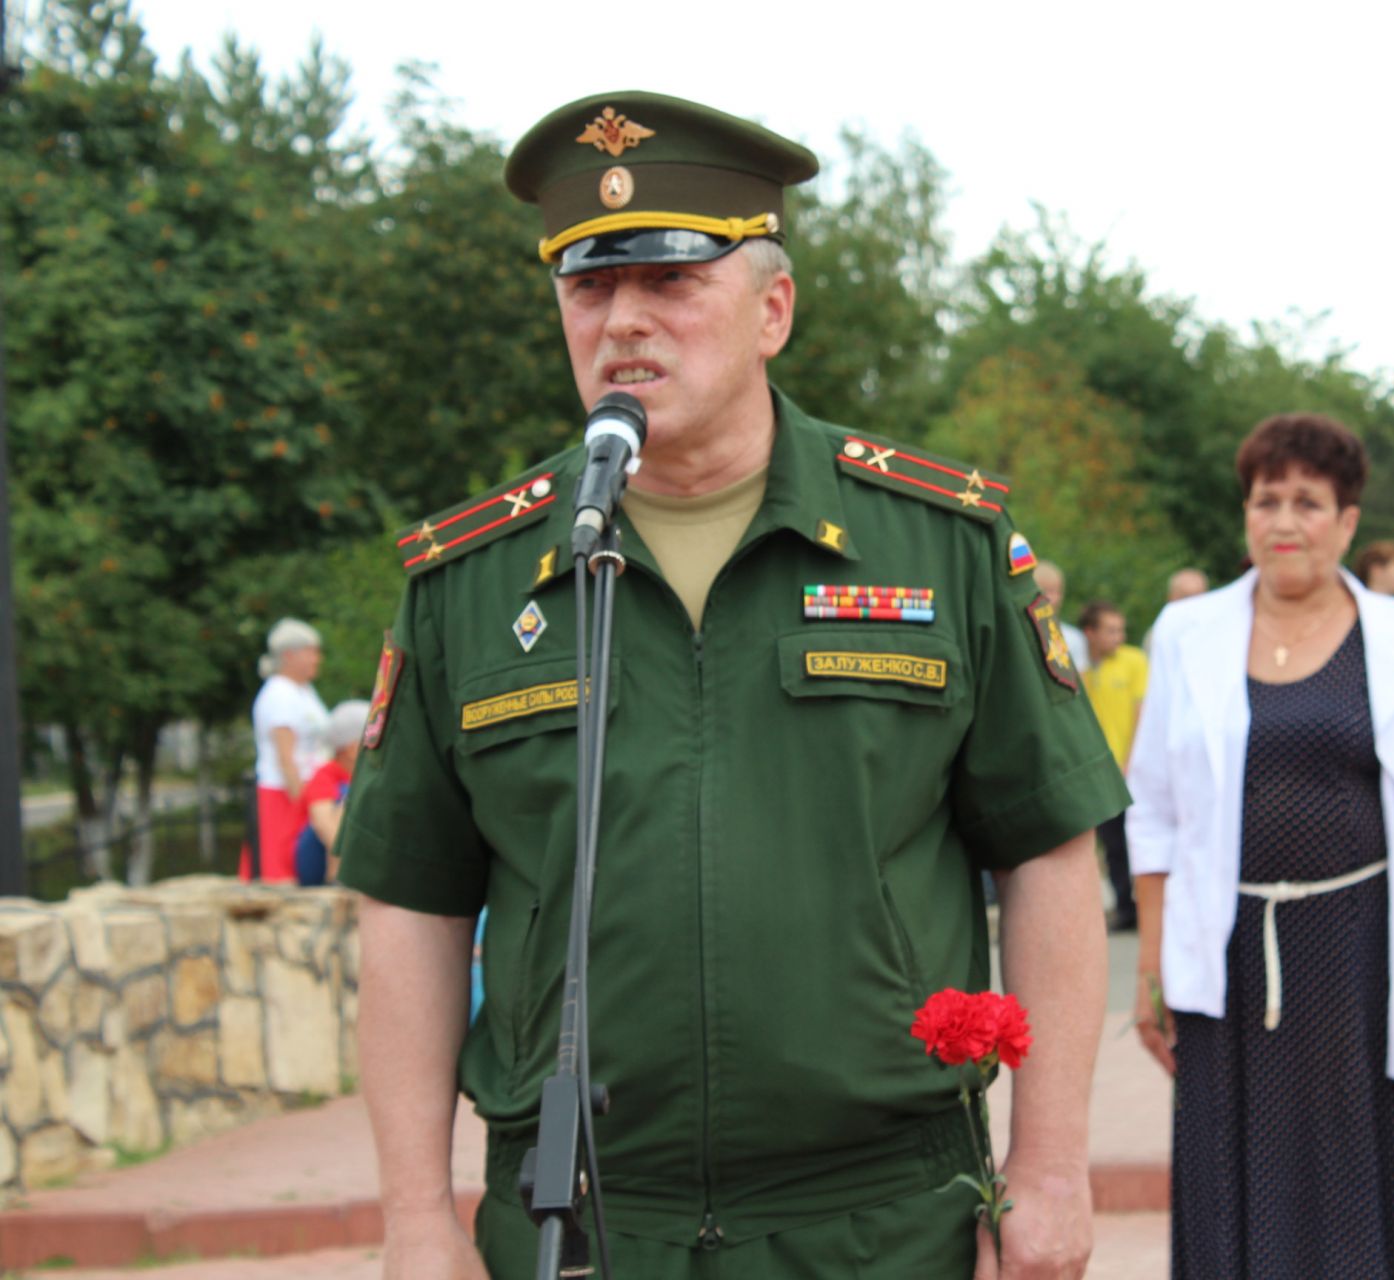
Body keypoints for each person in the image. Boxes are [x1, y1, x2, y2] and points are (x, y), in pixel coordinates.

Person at [335, 91, 1127, 1280]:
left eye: (672, 280)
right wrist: (411, 1214)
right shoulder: (473, 578)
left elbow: (1050, 851)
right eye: (588, 288)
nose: (623, 323)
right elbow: (411, 905)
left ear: (774, 308)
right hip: (583, 1222)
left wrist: (1051, 1165)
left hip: (880, 1220)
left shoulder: (938, 544)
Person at [1127, 412, 1394, 1279]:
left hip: (1366, 952)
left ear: (1348, 520)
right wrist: (1153, 969)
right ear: (1244, 513)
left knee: (1374, 1173)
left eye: (1308, 503)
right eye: (1266, 501)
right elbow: (1153, 812)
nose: (1284, 522)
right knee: (1236, 1180)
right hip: (1230, 952)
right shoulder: (1186, 634)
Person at [1078, 601, 1149, 931]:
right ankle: (1125, 907)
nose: (1118, 636)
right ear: (1090, 633)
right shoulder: (1083, 669)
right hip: (1099, 774)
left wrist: (1130, 762)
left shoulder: (1134, 661)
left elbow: (1141, 714)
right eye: (1110, 630)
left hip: (1132, 770)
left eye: (1120, 629)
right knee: (1114, 846)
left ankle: (1149, 907)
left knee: (1142, 842)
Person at [247, 618, 328, 883]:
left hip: (304, 789)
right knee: (283, 871)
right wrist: (303, 805)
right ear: (290, 655)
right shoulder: (279, 695)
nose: (317, 659)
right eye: (311, 651)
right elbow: (286, 758)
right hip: (284, 794)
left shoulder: (303, 690)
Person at [293, 700, 369, 887]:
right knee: (350, 798)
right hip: (316, 860)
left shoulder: (364, 776)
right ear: (352, 749)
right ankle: (337, 875)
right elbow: (322, 823)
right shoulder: (326, 775)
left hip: (349, 854)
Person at [1033, 559, 1089, 670]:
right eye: (1045, 591)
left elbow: (1080, 681)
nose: (1052, 599)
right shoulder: (1018, 634)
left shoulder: (1074, 638)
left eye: (1056, 591)